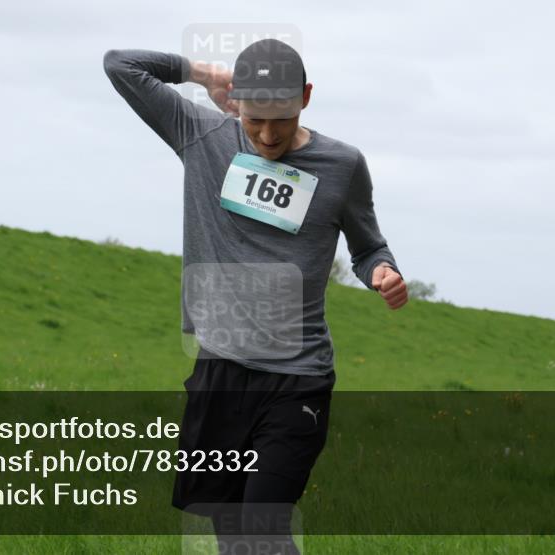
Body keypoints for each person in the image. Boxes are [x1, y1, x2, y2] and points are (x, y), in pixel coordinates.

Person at [103, 39, 407, 554]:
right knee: (232, 536)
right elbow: (120, 65)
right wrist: (201, 73)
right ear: (238, 102)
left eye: (281, 120)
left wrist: (382, 271)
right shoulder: (200, 134)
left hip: (297, 378)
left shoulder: (342, 165)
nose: (267, 136)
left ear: (306, 97)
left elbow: (368, 244)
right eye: (254, 120)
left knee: (263, 529)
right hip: (220, 372)